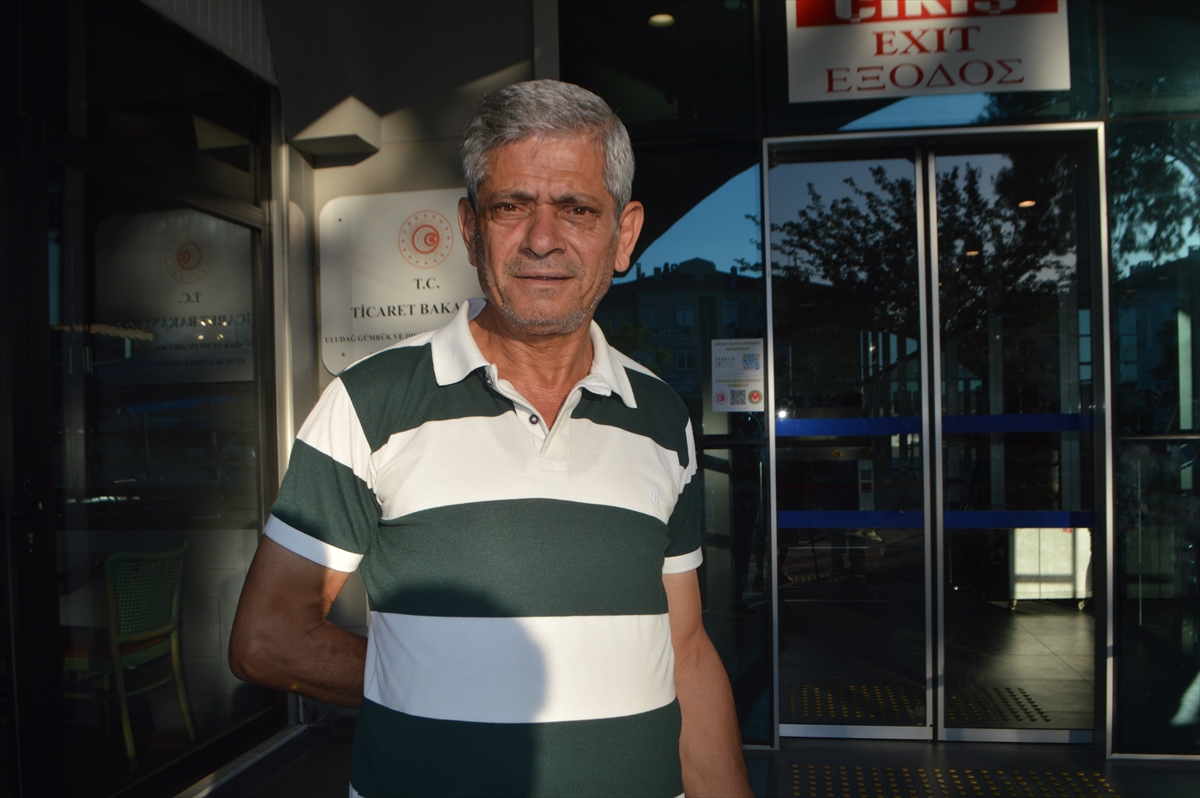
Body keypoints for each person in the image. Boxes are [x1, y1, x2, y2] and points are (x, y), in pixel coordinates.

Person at [229, 79, 752, 797]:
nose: (543, 239)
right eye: (511, 207)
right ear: (471, 229)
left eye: (577, 209)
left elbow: (685, 656)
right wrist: (442, 681)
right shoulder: (369, 403)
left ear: (624, 235)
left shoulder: (661, 416)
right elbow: (268, 640)